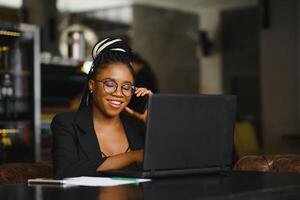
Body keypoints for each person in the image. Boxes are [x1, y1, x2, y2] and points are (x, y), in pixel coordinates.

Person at [51, 38, 152, 178]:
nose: (118, 93)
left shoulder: (139, 126)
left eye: (126, 87)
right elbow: (65, 171)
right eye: (110, 84)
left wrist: (154, 121)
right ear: (92, 85)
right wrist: (133, 156)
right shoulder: (67, 124)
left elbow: (176, 162)